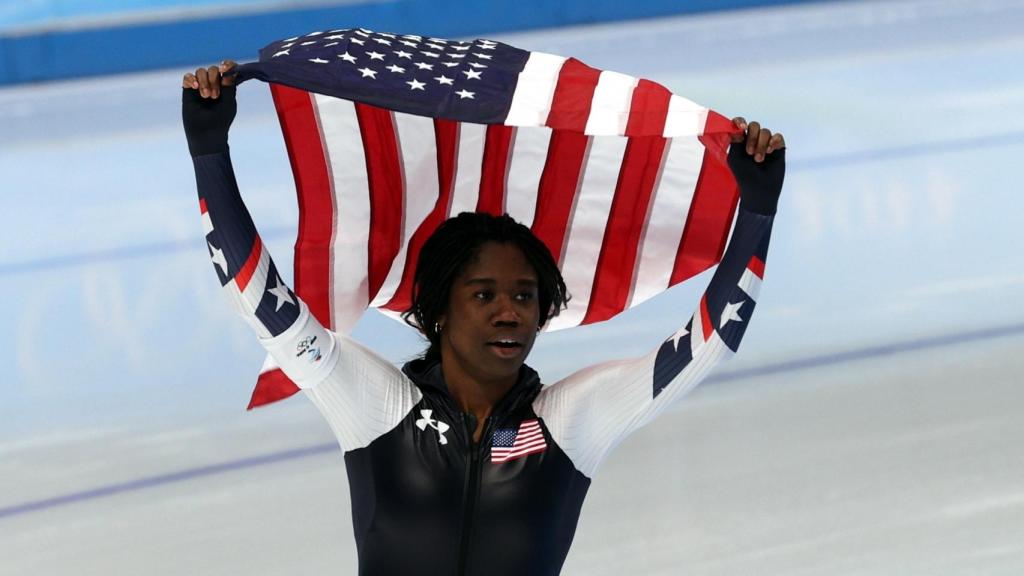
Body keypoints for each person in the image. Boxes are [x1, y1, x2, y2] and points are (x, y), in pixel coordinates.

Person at [183, 60, 786, 576]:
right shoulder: (379, 406)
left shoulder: (567, 422)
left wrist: (755, 211)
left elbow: (704, 346)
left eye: (525, 297)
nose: (509, 313)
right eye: (484, 295)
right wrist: (210, 150)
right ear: (440, 307)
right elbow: (266, 306)